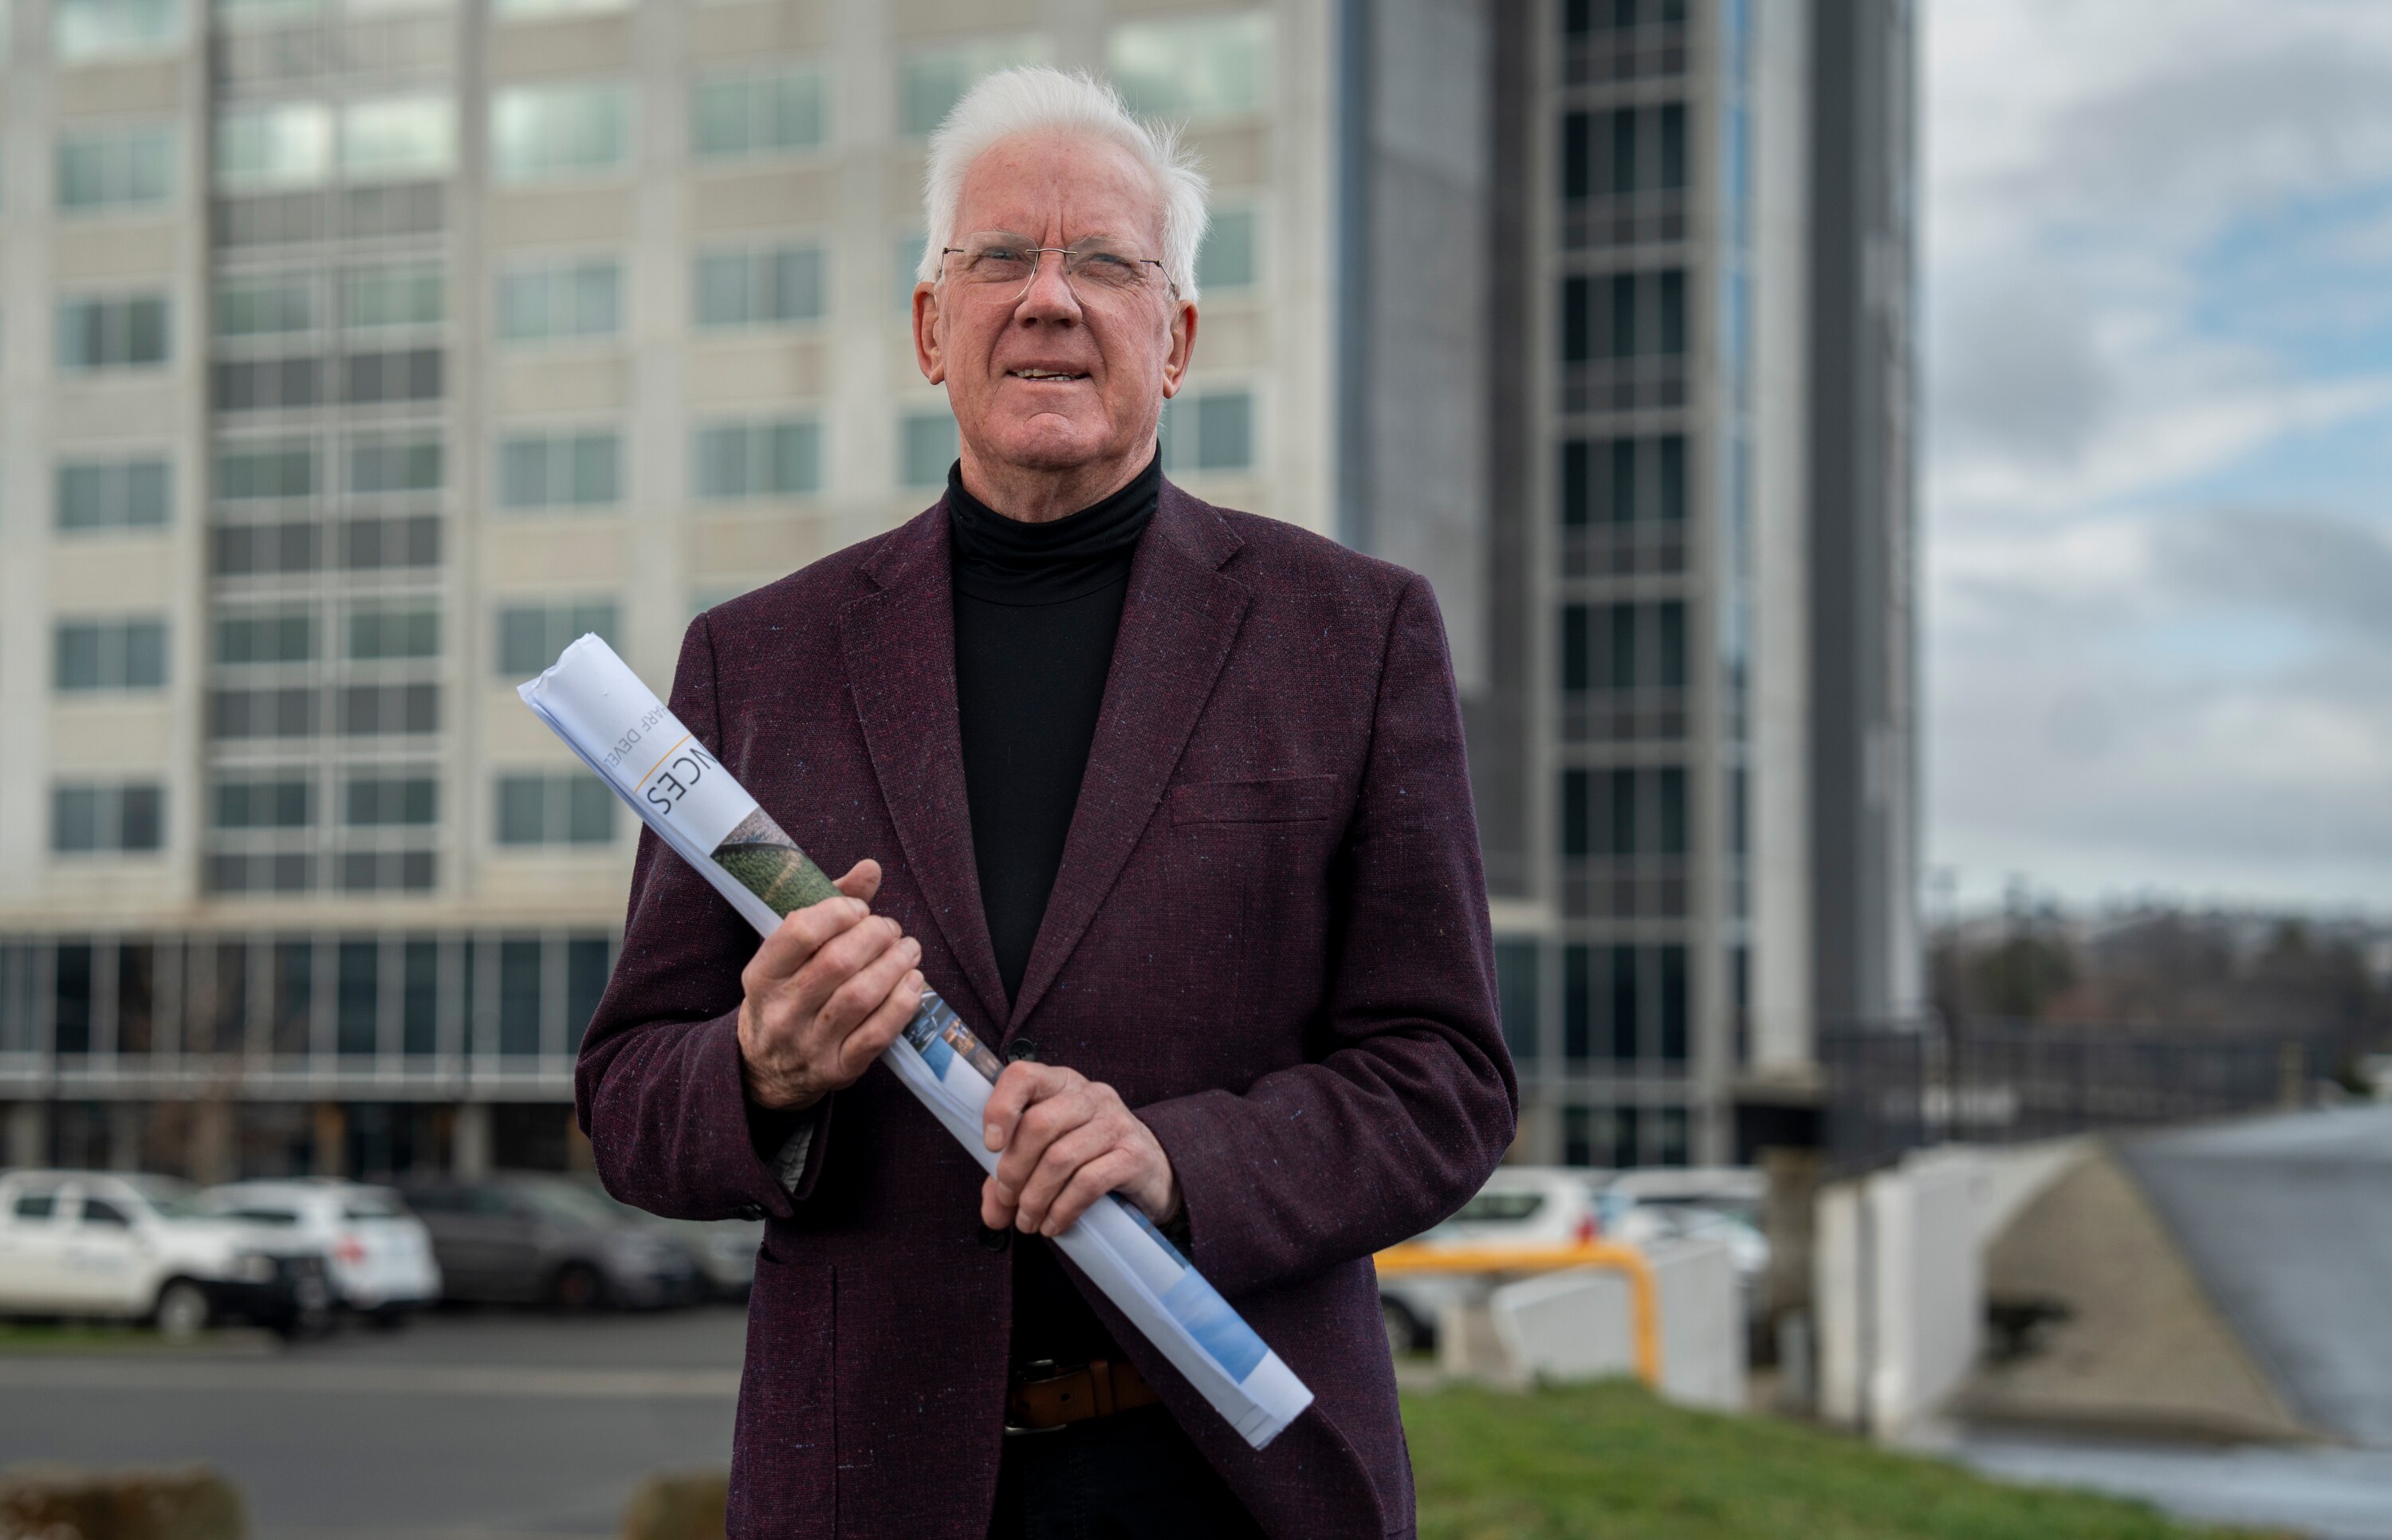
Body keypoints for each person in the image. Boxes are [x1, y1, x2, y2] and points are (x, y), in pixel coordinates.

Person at [578, 66, 1516, 1540]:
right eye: (1000, 257)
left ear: (1178, 335)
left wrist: (1175, 1157)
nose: (1050, 299)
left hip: (1230, 1485)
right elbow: (630, 1098)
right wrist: (763, 1067)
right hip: (865, 1487)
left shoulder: (1353, 637)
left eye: (1107, 264)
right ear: (928, 326)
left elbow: (1446, 1080)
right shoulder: (754, 659)